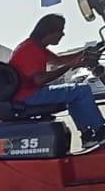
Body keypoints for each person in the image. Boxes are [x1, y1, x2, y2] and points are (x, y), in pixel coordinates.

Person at [11, 13, 105, 144]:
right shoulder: (30, 49)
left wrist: (86, 52)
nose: (63, 34)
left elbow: (58, 60)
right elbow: (40, 80)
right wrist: (69, 66)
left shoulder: (36, 46)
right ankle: (100, 131)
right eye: (60, 30)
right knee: (81, 90)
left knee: (74, 93)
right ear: (49, 32)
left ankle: (88, 135)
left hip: (29, 93)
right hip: (29, 95)